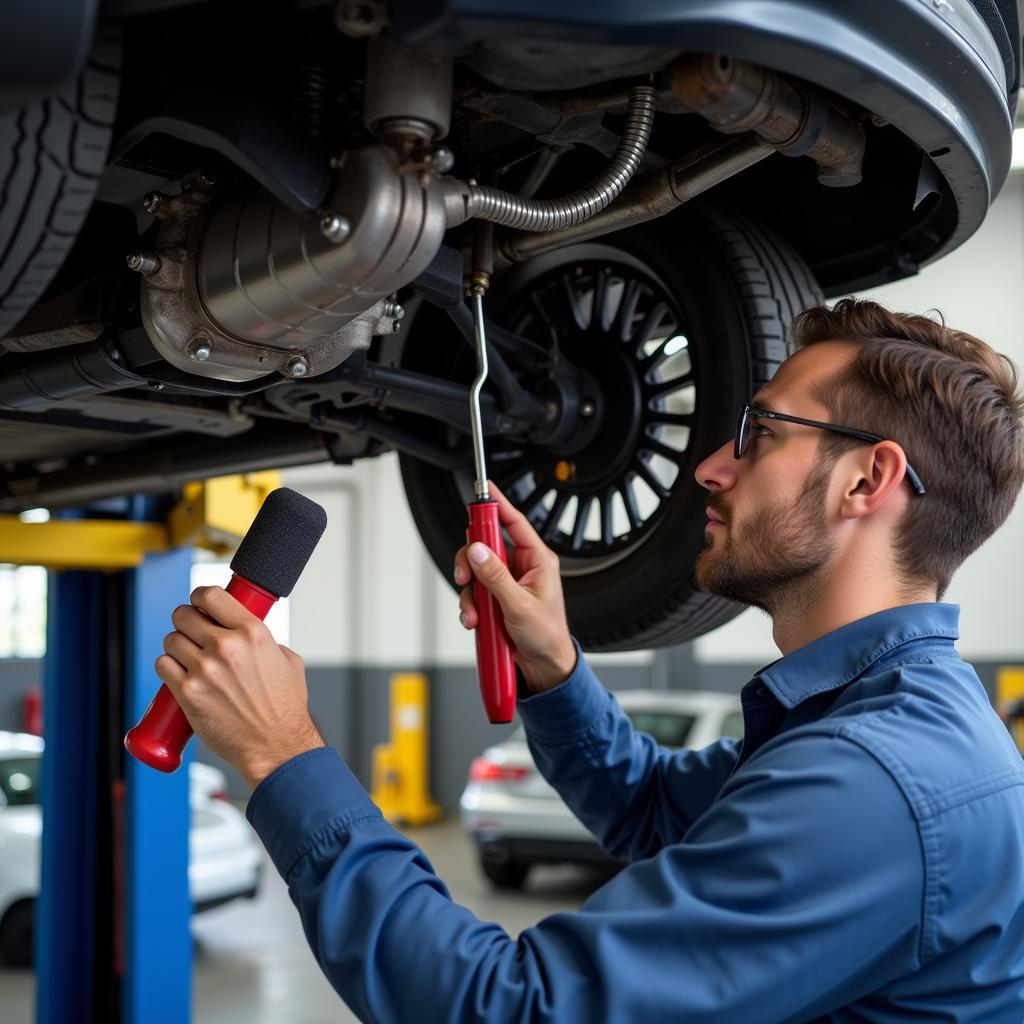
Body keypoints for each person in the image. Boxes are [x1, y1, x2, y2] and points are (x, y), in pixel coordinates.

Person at [157, 298, 1024, 1022]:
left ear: (868, 482)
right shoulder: (876, 722)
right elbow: (653, 811)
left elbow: (507, 1009)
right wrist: (554, 665)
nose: (712, 469)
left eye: (757, 433)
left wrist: (283, 752)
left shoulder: (875, 783)